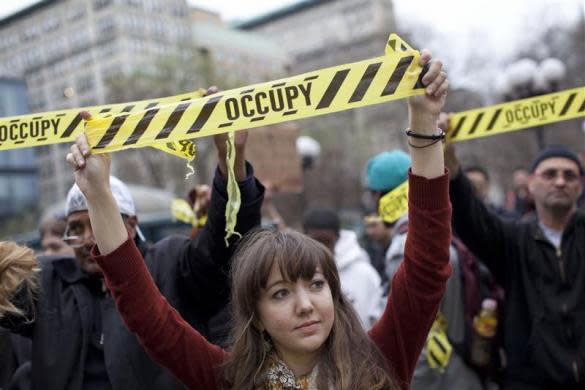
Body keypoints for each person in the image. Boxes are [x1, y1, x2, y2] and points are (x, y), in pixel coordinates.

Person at [66, 50, 451, 389]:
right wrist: (98, 194)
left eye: (316, 285)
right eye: (281, 293)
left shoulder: (379, 361)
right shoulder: (230, 380)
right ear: (256, 316)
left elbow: (426, 268)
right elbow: (147, 313)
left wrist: (423, 120)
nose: (306, 305)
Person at [0, 88, 265, 390]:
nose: (90, 239)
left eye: (100, 220)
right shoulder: (48, 283)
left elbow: (227, 247)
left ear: (131, 223)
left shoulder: (171, 264)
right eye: (76, 228)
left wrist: (231, 162)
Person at [444, 125, 585, 389]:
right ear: (531, 183)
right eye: (550, 174)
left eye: (570, 175)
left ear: (580, 186)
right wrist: (449, 160)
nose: (560, 181)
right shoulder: (513, 240)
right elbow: (470, 217)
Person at [302, 208, 382, 327]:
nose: (321, 248)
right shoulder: (297, 274)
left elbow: (377, 320)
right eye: (314, 242)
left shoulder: (365, 273)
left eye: (326, 242)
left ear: (338, 238)